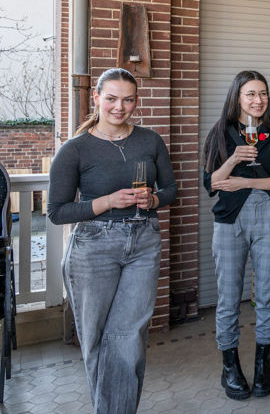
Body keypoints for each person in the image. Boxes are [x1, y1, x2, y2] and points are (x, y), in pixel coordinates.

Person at [48, 68, 177, 414]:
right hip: (93, 248)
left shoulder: (150, 141)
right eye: (111, 99)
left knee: (129, 339)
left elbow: (170, 190)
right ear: (97, 98)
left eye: (128, 100)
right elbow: (57, 212)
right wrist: (107, 201)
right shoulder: (75, 150)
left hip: (144, 242)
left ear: (136, 101)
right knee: (95, 342)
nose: (119, 107)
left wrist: (153, 199)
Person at [202, 70, 270, 400]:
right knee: (228, 298)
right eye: (251, 94)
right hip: (230, 221)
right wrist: (234, 160)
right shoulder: (220, 133)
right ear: (237, 98)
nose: (258, 100)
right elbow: (211, 184)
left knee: (267, 296)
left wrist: (245, 181)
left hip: (268, 216)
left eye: (263, 93)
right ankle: (230, 366)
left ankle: (262, 363)